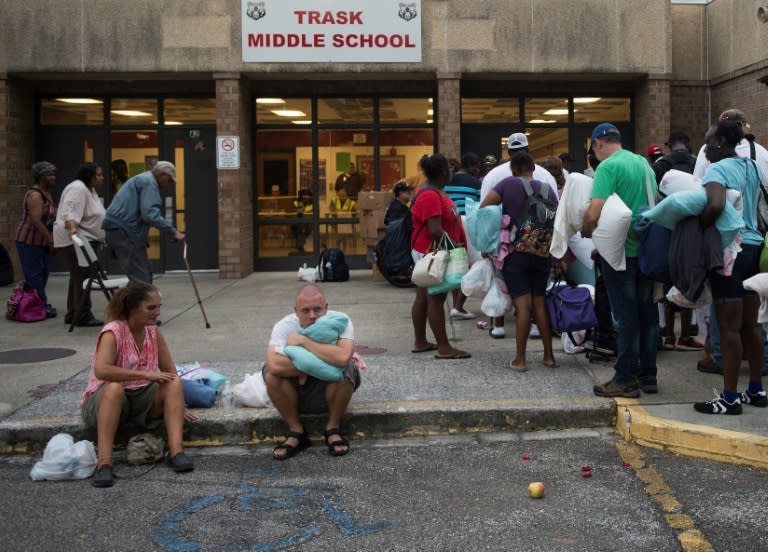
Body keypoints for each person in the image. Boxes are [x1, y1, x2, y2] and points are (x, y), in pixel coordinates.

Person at [81, 283, 196, 487]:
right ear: (132, 309)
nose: (157, 312)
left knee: (173, 381)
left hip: (141, 397)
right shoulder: (113, 332)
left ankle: (177, 452)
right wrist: (144, 374)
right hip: (106, 400)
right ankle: (104, 463)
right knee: (114, 388)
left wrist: (179, 403)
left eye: (159, 307)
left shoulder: (153, 331)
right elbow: (102, 370)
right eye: (151, 308)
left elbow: (169, 371)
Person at [693, 120, 766, 415]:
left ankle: (730, 398)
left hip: (731, 251)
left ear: (722, 141)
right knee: (752, 324)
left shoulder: (717, 170)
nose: (706, 146)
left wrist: (697, 228)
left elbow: (715, 205)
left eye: (709, 140)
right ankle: (756, 389)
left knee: (728, 327)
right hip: (755, 248)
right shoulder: (752, 167)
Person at [582, 123, 659, 398]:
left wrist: (586, 231)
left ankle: (625, 378)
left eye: (593, 148)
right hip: (647, 251)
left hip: (620, 254)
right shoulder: (643, 163)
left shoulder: (608, 167)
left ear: (598, 144)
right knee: (648, 315)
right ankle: (648, 375)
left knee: (626, 317)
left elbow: (594, 211)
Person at [263, 283, 361, 459]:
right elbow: (274, 365)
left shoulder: (339, 320)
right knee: (271, 375)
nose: (312, 316)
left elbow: (342, 358)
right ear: (296, 310)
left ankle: (332, 428)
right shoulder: (284, 326)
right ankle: (296, 431)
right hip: (296, 392)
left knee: (347, 368)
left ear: (326, 308)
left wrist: (304, 342)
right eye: (305, 310)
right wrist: (321, 364)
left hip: (330, 388)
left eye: (317, 309)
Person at [480, 152, 559, 371]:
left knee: (522, 306)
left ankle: (520, 360)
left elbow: (484, 209)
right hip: (542, 252)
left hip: (516, 253)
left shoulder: (508, 184)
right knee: (539, 303)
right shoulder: (548, 189)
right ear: (533, 167)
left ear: (513, 170)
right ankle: (549, 356)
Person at [410, 154, 471, 360]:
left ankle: (421, 342)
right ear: (443, 172)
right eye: (449, 168)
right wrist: (455, 248)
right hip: (433, 251)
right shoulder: (430, 195)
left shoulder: (436, 191)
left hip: (430, 250)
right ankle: (444, 347)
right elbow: (435, 229)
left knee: (423, 296)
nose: (452, 171)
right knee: (436, 297)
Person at [651, 132, 703, 352]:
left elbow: (654, 195)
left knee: (668, 279)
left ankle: (669, 335)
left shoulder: (661, 164)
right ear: (688, 144)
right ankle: (686, 336)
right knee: (689, 277)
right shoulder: (696, 163)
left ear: (669, 145)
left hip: (667, 226)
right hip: (692, 227)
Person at [102, 161, 184, 283]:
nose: (168, 184)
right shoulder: (149, 183)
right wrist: (173, 231)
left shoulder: (144, 179)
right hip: (124, 231)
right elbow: (150, 214)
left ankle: (135, 300)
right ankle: (135, 301)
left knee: (144, 272)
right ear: (161, 174)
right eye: (168, 179)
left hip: (121, 230)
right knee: (141, 276)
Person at [53, 163, 107, 327]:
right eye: (98, 175)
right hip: (76, 242)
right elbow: (69, 211)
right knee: (83, 276)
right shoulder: (78, 188)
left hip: (88, 239)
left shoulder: (89, 190)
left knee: (78, 277)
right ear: (90, 176)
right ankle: (82, 315)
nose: (101, 178)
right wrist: (74, 234)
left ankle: (73, 313)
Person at [15, 161, 58, 318]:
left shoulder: (47, 192)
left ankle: (36, 303)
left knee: (43, 274)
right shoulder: (35, 195)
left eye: (54, 174)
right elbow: (36, 221)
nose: (53, 177)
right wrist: (50, 240)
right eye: (49, 175)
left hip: (41, 242)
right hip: (28, 241)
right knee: (34, 276)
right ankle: (41, 306)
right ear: (40, 177)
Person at [444, 152, 483, 320]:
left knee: (456, 265)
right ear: (472, 167)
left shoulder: (447, 180)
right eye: (477, 167)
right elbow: (481, 206)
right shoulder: (475, 182)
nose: (478, 170)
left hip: (450, 224)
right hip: (468, 224)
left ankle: (456, 305)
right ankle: (459, 306)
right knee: (473, 266)